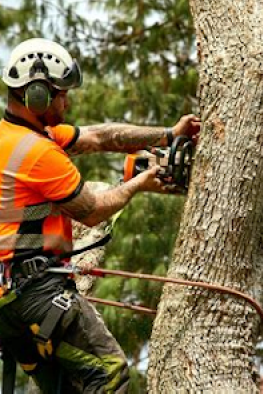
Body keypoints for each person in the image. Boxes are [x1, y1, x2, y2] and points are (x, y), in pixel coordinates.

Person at [0, 38, 201, 393]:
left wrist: (169, 134)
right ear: (38, 97)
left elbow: (100, 136)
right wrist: (138, 184)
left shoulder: (15, 136)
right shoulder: (38, 153)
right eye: (62, 94)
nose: (68, 101)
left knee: (68, 387)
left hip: (8, 300)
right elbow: (92, 211)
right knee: (108, 372)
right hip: (34, 293)